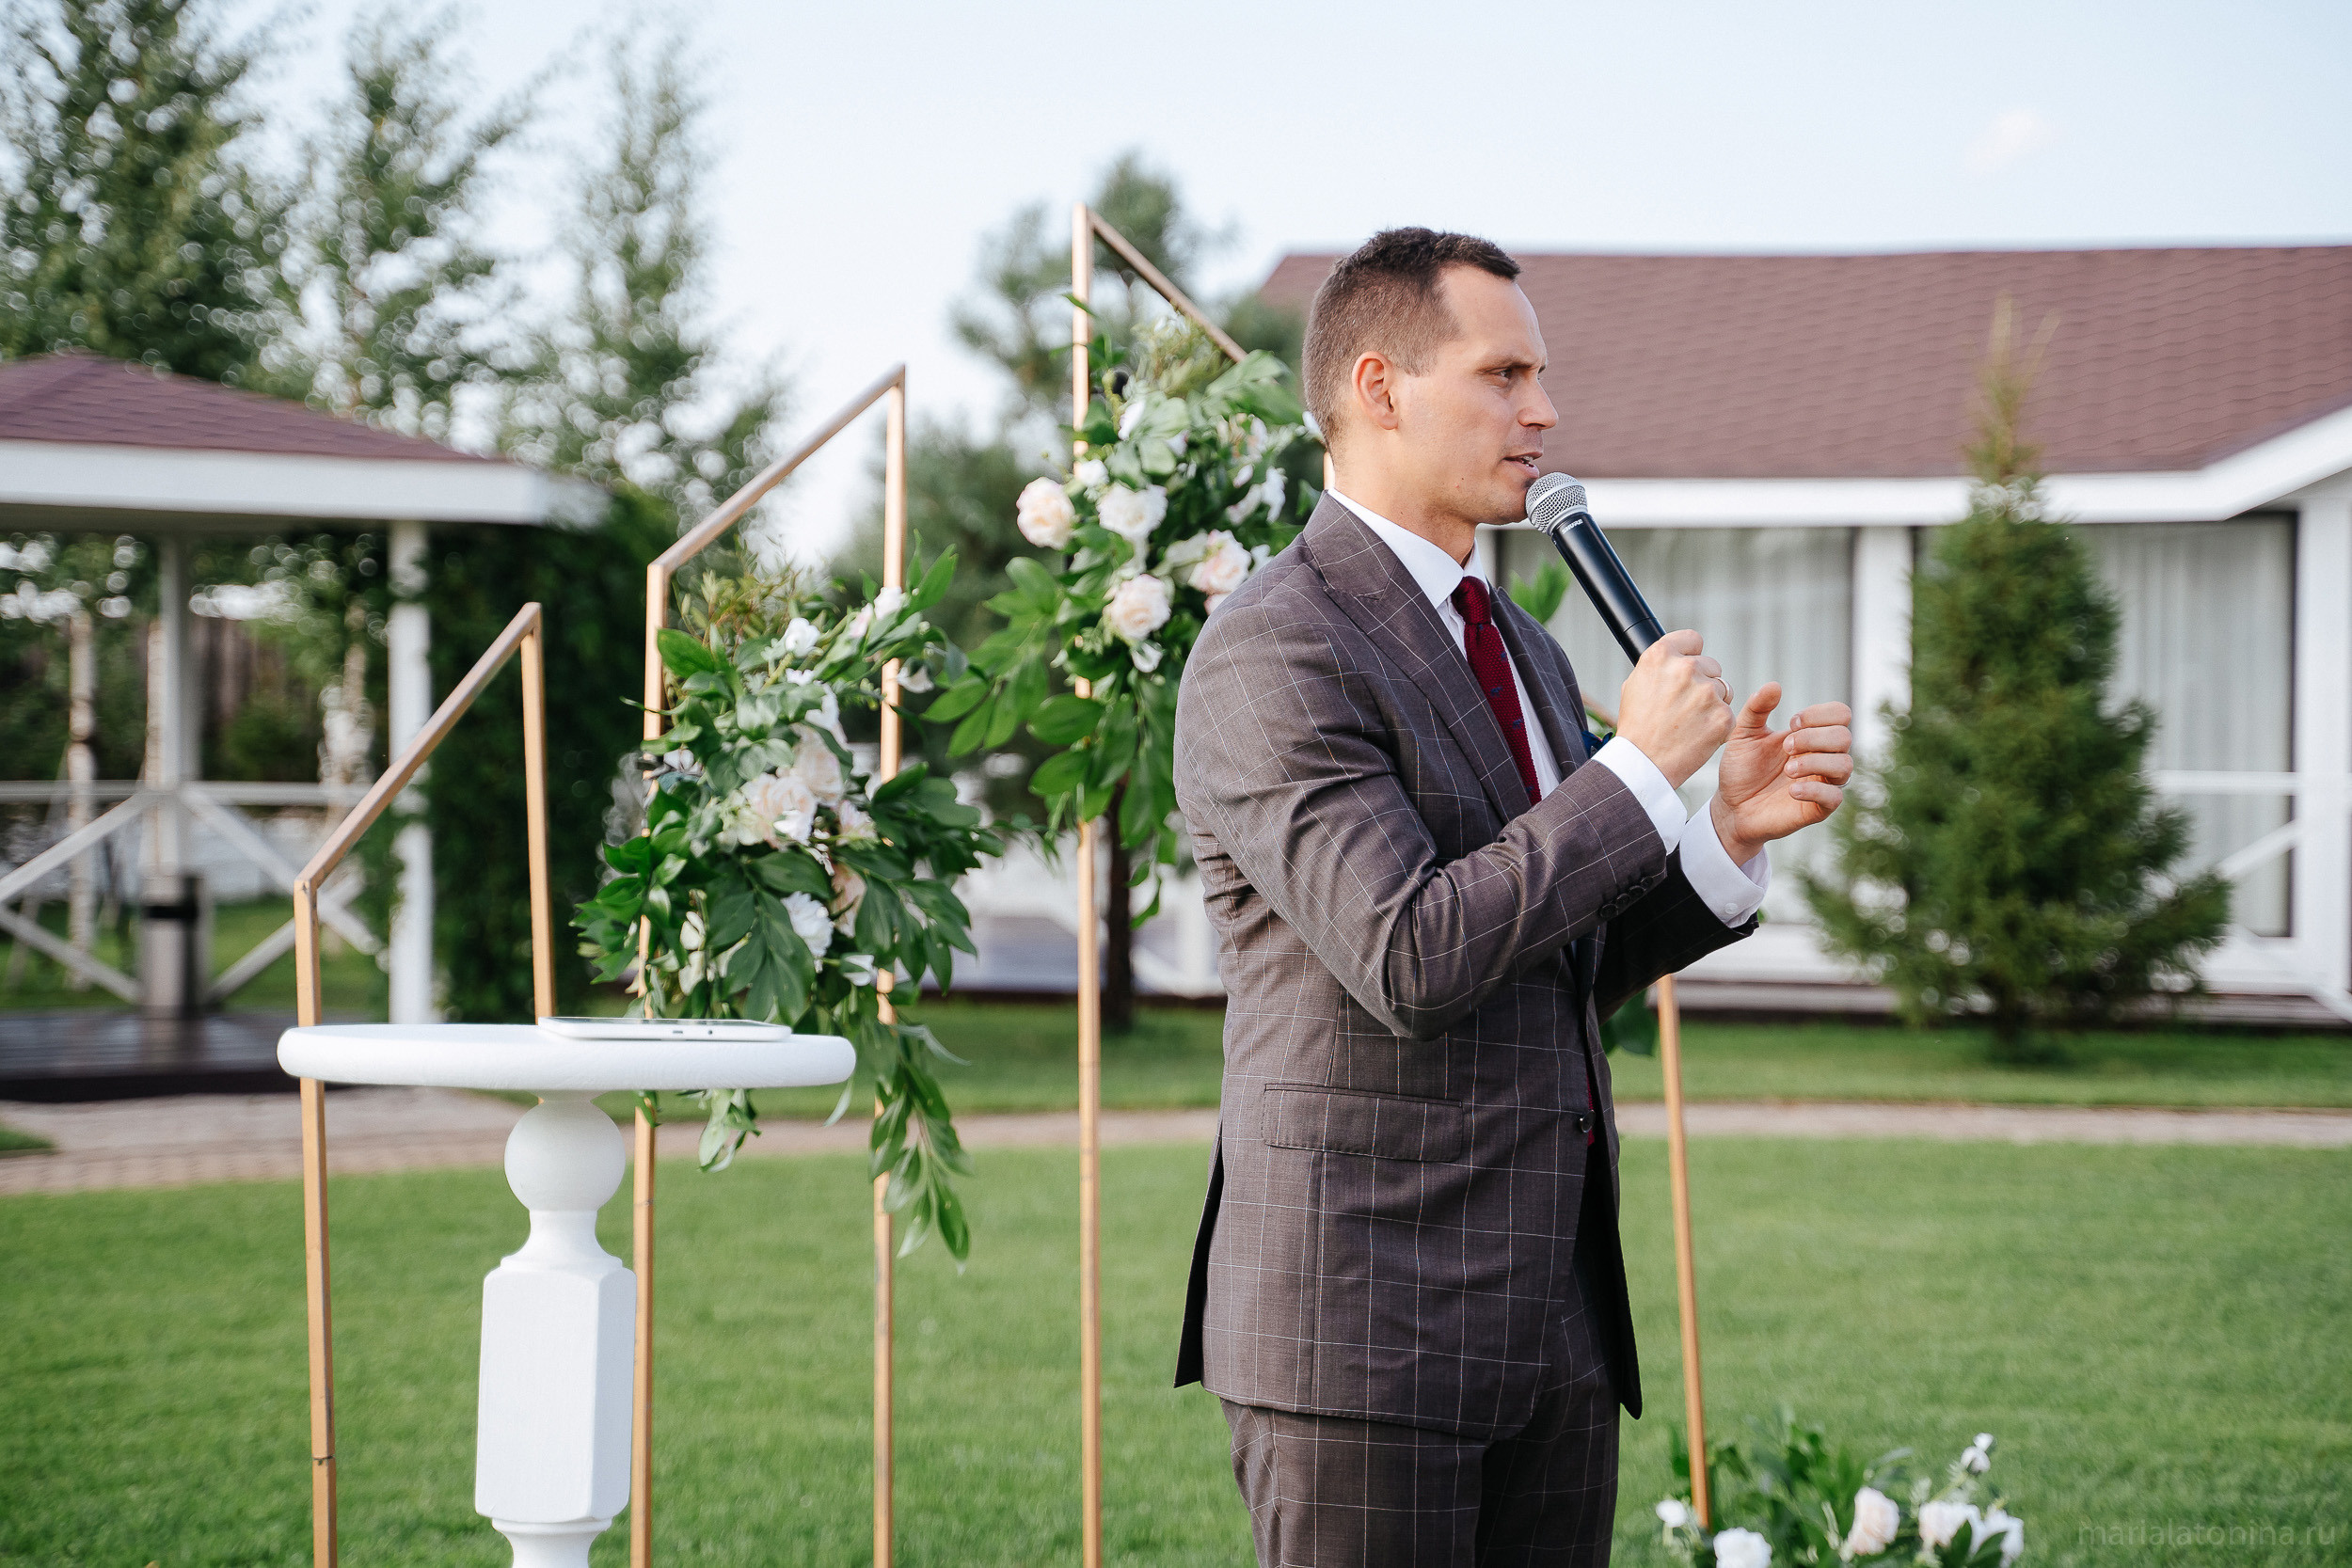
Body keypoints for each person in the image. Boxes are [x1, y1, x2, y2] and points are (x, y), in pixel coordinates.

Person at [1170, 228, 1854, 1567]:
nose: (1543, 411)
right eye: (1505, 373)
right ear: (1378, 388)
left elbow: (1549, 965)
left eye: (1540, 376)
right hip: (1364, 1339)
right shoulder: (1271, 648)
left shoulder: (1526, 647)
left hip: (1552, 1327)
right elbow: (1412, 953)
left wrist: (1713, 834)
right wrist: (1641, 773)